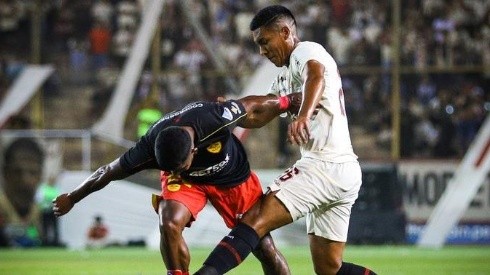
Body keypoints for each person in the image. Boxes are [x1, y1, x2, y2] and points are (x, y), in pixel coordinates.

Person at [195, 5, 376, 275]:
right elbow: (261, 114)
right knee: (329, 268)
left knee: (254, 219)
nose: (262, 51)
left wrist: (302, 116)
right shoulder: (284, 77)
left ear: (285, 32)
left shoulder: (306, 51)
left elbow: (316, 76)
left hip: (323, 167)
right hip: (343, 170)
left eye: (264, 42)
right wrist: (230, 115)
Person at [53, 92, 301, 274]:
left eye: (179, 165)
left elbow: (253, 106)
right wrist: (72, 197)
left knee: (264, 248)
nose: (172, 169)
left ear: (194, 150)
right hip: (187, 182)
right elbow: (106, 172)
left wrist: (286, 102)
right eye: (167, 167)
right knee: (169, 220)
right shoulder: (147, 148)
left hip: (232, 178)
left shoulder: (214, 118)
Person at [0, 138, 44, 247]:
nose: (25, 180)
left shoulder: (37, 208)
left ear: (40, 175)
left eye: (32, 172)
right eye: (17, 172)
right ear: (5, 173)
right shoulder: (2, 205)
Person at [35, 175, 61, 247]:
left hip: (54, 210)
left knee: (55, 227)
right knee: (45, 227)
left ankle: (55, 242)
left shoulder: (56, 188)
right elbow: (39, 199)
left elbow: (59, 198)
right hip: (45, 210)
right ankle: (45, 242)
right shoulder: (43, 188)